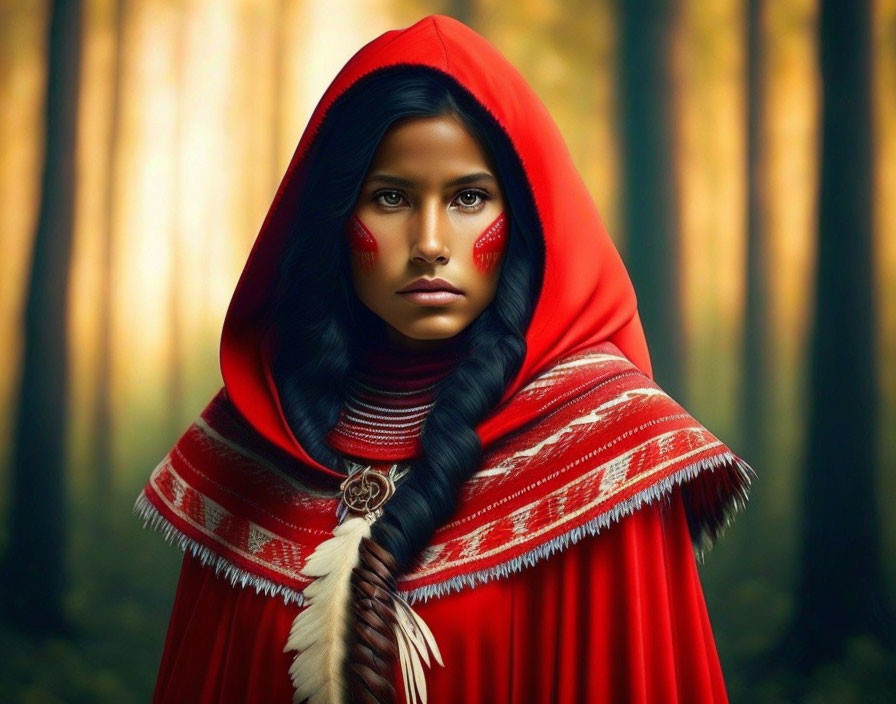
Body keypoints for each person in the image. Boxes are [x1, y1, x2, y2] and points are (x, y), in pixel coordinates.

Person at [134, 14, 755, 704]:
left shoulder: (606, 454)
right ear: (336, 219)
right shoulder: (252, 440)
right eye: (391, 197)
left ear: (521, 216)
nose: (429, 241)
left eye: (468, 198)